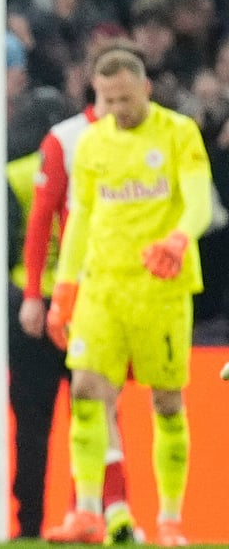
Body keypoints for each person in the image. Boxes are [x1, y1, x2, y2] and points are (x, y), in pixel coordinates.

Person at [47, 47, 212, 547]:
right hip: (103, 288)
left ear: (146, 88)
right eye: (108, 99)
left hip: (162, 289)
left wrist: (179, 240)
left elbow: (200, 202)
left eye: (125, 98)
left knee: (166, 402)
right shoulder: (92, 142)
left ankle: (169, 521)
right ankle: (88, 513)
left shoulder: (179, 133)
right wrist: (64, 288)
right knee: (84, 392)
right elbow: (80, 218)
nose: (117, 109)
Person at [24, 43, 137, 544]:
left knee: (108, 401)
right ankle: (105, 512)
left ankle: (105, 511)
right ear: (95, 85)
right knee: (95, 396)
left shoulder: (160, 137)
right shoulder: (67, 139)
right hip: (87, 289)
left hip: (143, 290)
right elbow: (41, 221)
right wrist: (35, 292)